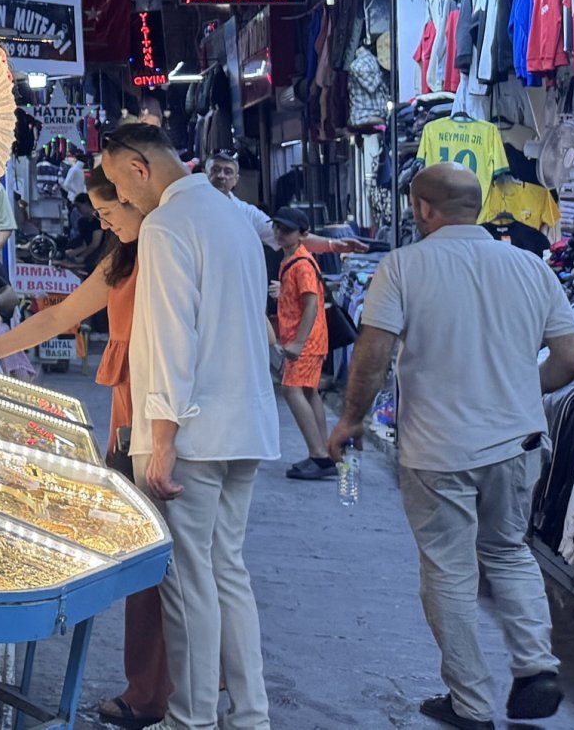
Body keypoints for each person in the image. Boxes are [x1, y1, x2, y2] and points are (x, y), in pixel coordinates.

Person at [326, 165, 574, 730]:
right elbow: (571, 358)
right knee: (508, 550)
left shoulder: (403, 267)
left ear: (423, 209)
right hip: (517, 443)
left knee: (447, 571)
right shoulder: (528, 266)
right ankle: (536, 666)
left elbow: (372, 353)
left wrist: (350, 420)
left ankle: (470, 704)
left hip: (438, 448)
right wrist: (522, 387)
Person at [0, 168, 170, 729]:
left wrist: (164, 439)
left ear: (137, 195)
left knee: (165, 574)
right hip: (128, 415)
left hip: (159, 421)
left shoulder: (168, 251)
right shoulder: (124, 257)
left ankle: (164, 695)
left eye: (111, 212)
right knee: (153, 576)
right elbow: (62, 316)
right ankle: (156, 690)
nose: (105, 222)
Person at [98, 120, 277, 730]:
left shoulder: (170, 225)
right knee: (228, 573)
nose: (123, 199)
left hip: (193, 431)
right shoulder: (234, 218)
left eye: (122, 184)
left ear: (140, 168)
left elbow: (174, 337)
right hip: (244, 423)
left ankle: (192, 718)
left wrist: (164, 440)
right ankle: (249, 715)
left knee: (189, 581)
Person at [267, 210, 333, 481]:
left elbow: (312, 304)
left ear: (302, 234)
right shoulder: (295, 260)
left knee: (292, 390)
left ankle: (319, 455)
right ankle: (323, 452)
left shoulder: (301, 263)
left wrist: (298, 342)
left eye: (287, 230)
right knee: (308, 392)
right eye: (278, 227)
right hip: (310, 338)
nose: (281, 233)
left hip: (305, 340)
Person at [207, 150, 367, 258]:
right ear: (205, 174)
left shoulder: (246, 213)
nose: (221, 176)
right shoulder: (188, 208)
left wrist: (333, 245)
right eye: (215, 170)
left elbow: (290, 237)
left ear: (236, 180)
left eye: (228, 172)